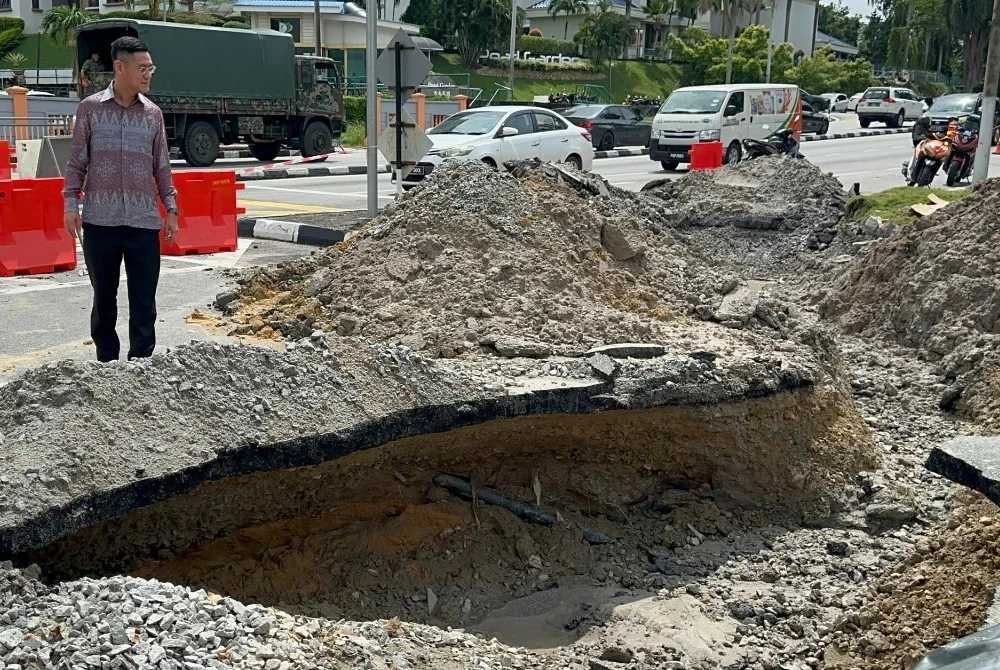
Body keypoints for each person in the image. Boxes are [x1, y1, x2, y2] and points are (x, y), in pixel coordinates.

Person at [63, 36, 179, 363]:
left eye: (151, 68)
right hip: (100, 221)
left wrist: (171, 208)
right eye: (142, 68)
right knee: (104, 301)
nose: (148, 74)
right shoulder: (90, 109)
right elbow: (76, 162)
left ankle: (141, 364)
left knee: (144, 302)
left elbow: (162, 166)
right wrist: (70, 204)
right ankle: (107, 365)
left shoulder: (153, 114)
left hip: (143, 222)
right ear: (120, 67)